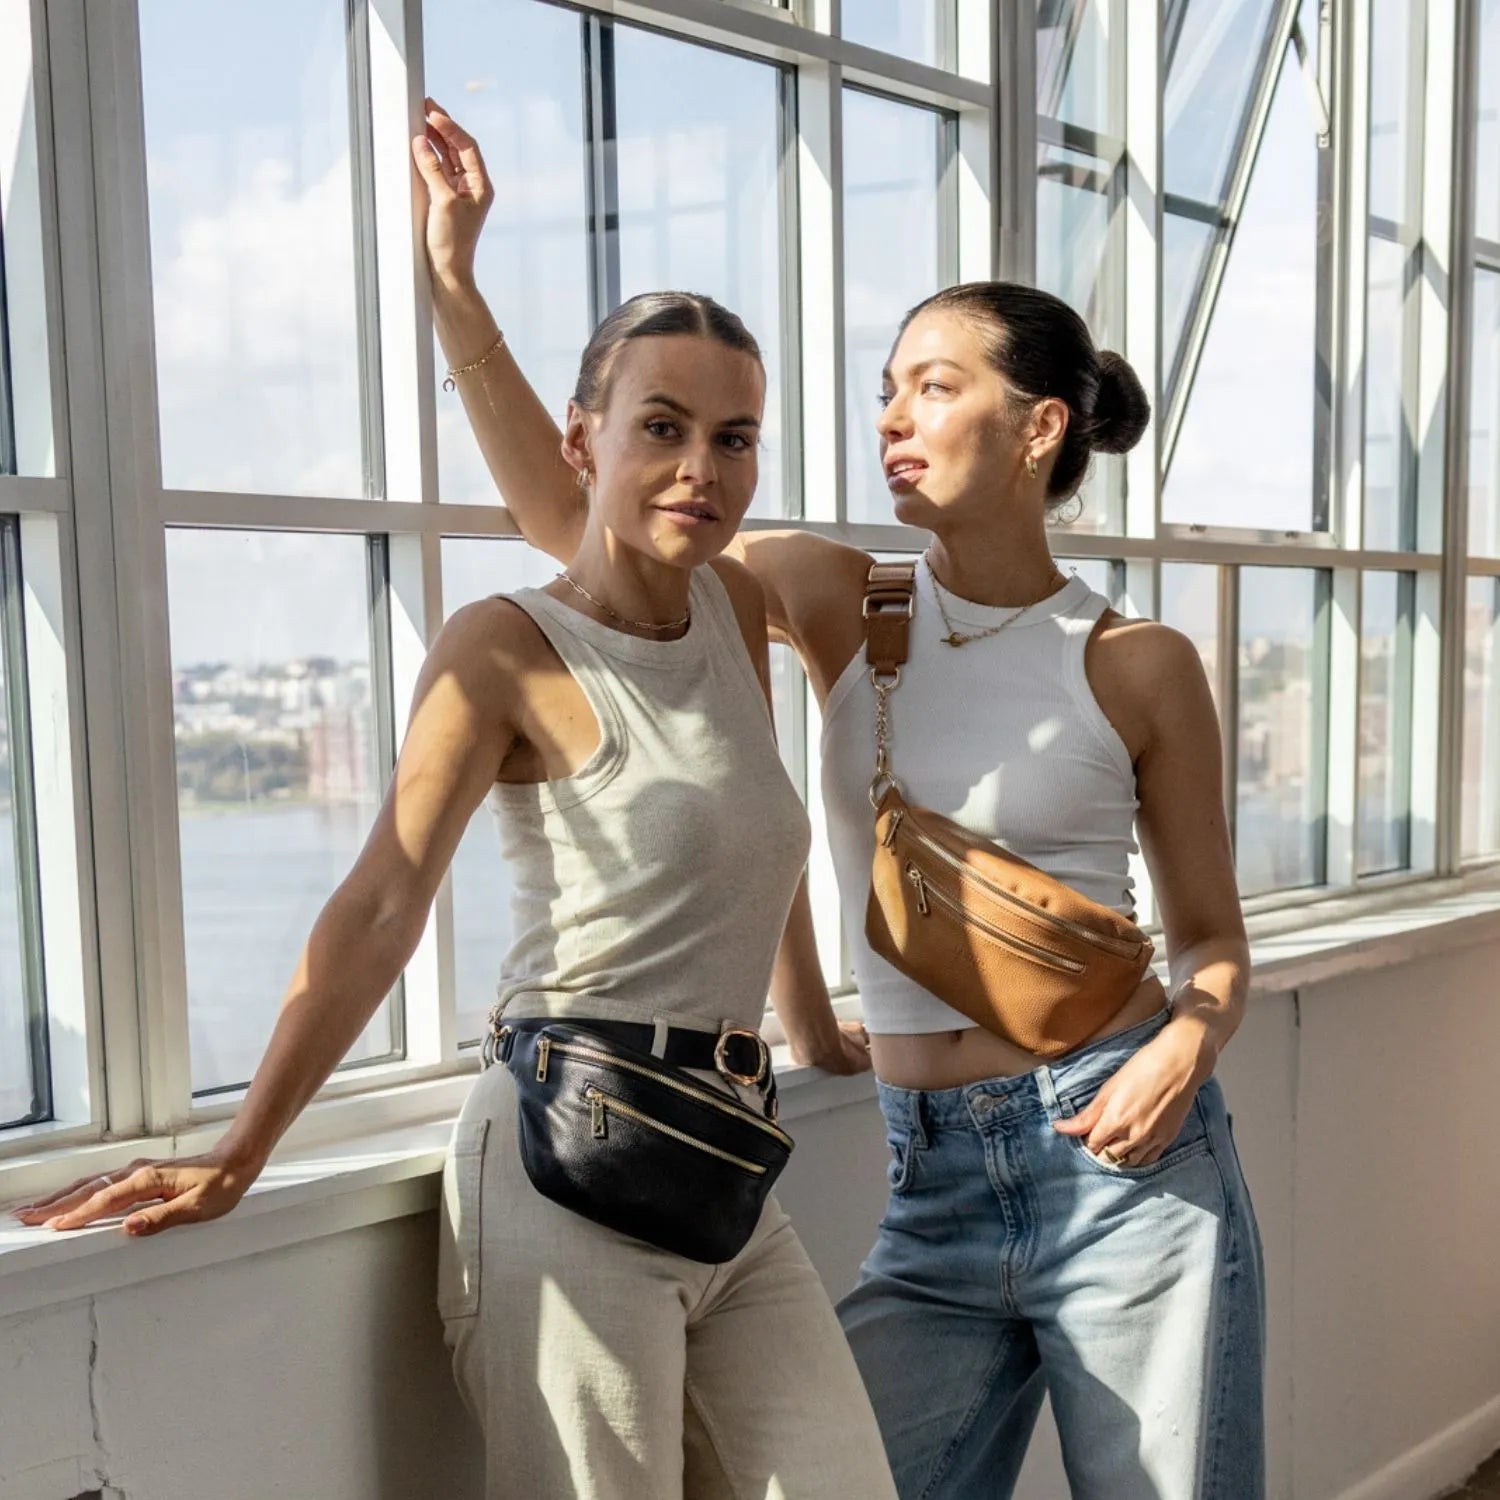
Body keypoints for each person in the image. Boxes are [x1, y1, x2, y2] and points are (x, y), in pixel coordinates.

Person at [417, 97, 1267, 1500]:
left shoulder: (1140, 664)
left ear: (1041, 424)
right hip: (926, 1183)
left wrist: (1190, 1042)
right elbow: (576, 515)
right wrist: (456, 288)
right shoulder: (843, 601)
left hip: (1125, 1164)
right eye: (888, 386)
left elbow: (1215, 942)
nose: (894, 416)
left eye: (936, 385)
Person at [10, 272, 898, 1495]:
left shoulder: (739, 603)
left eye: (732, 438)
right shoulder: (504, 645)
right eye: (662, 427)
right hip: (563, 1166)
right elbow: (381, 903)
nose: (701, 466)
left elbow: (758, 839)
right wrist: (239, 1150)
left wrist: (809, 1027)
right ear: (581, 439)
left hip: (727, 1161)